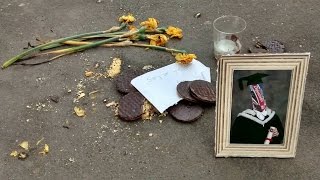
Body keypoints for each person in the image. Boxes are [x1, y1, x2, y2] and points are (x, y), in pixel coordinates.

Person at [230, 73, 284, 144]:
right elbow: (234, 141)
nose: (259, 97)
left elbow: (281, 136)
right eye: (254, 95)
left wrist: (277, 133)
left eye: (261, 93)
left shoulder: (273, 117)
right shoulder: (242, 119)